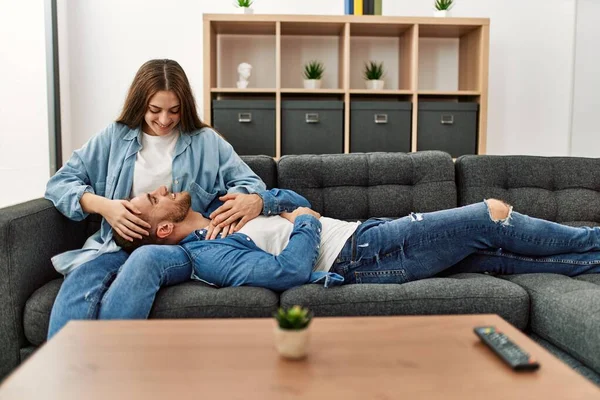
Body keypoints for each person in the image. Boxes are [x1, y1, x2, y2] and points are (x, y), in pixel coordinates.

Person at [45, 59, 289, 339]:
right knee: (80, 280)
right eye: (154, 110)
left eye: (174, 111)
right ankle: (63, 374)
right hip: (116, 243)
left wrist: (250, 201)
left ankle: (113, 362)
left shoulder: (205, 141)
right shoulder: (115, 138)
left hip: (180, 245)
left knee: (145, 261)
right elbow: (60, 183)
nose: (164, 120)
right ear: (140, 104)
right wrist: (105, 207)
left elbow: (249, 183)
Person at [105, 185, 600, 318]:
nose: (165, 187)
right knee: (490, 215)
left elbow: (301, 201)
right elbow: (288, 273)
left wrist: (272, 201)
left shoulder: (225, 206)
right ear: (166, 228)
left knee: (490, 257)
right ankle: (594, 239)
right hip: (360, 255)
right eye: (154, 199)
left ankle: (593, 258)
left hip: (365, 233)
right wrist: (301, 224)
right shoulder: (206, 253)